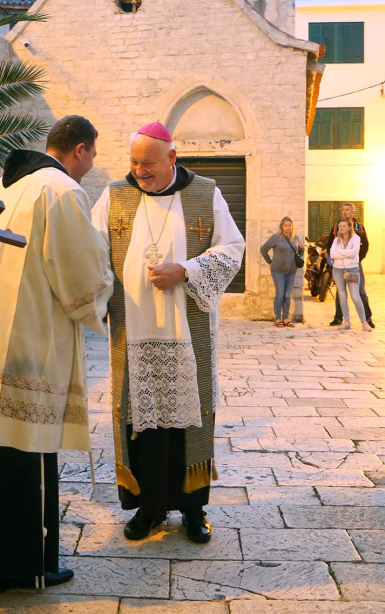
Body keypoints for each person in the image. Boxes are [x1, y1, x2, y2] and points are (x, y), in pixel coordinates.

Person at [0, 115, 114, 593]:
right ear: (80, 150)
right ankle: (16, 567)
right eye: (92, 156)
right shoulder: (62, 192)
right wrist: (104, 297)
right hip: (25, 352)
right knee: (19, 455)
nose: (91, 168)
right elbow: (81, 279)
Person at [91, 122, 245, 545]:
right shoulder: (113, 197)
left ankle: (193, 511)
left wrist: (187, 271)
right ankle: (149, 508)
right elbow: (90, 253)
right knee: (145, 427)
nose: (139, 171)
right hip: (133, 334)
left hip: (186, 335)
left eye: (149, 164)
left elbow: (233, 249)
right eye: (134, 162)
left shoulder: (205, 193)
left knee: (186, 426)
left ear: (172, 158)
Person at [329, 202, 374, 328]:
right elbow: (330, 248)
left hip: (354, 265)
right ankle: (339, 318)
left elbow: (364, 245)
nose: (345, 212)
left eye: (347, 210)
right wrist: (338, 257)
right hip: (339, 267)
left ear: (353, 212)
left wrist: (358, 258)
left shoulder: (359, 228)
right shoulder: (336, 227)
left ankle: (367, 319)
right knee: (340, 293)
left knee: (360, 292)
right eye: (343, 209)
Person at [260, 216, 302, 327]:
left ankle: (286, 318)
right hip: (278, 271)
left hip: (291, 271)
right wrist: (270, 261)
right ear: (281, 227)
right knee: (280, 294)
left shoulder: (295, 238)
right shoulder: (276, 237)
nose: (288, 227)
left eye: (290, 225)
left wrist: (298, 260)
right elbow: (263, 249)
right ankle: (278, 318)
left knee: (288, 295)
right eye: (286, 225)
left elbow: (301, 249)